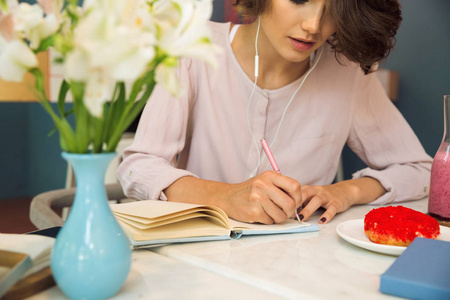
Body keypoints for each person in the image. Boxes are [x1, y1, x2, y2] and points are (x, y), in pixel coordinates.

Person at [118, 0, 432, 225]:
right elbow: (138, 167)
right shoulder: (193, 48)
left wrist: (345, 191)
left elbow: (421, 171)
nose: (313, 25)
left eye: (334, 8)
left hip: (295, 261)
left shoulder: (347, 73)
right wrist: (225, 197)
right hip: (196, 261)